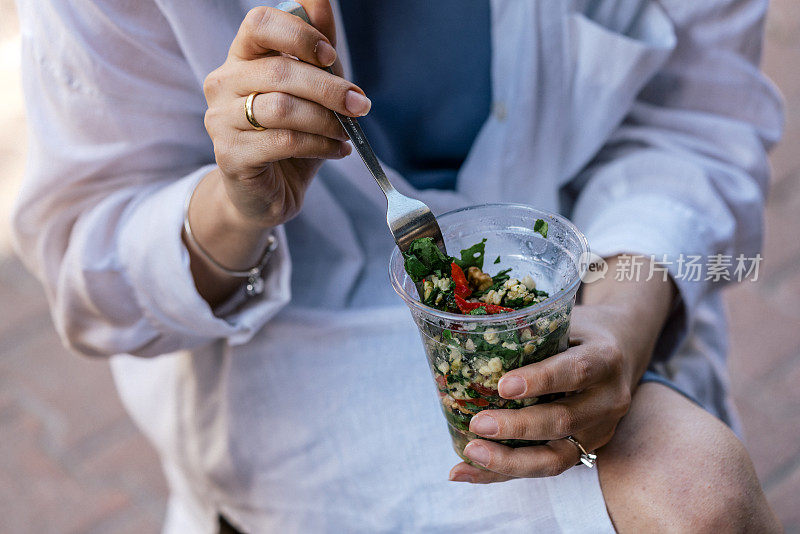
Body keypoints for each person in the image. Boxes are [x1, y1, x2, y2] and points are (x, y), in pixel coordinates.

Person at [12, 0, 783, 532]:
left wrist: (622, 314)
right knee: (692, 496)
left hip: (602, 278)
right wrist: (234, 207)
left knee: (698, 492)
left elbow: (697, 123)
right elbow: (92, 277)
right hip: (289, 348)